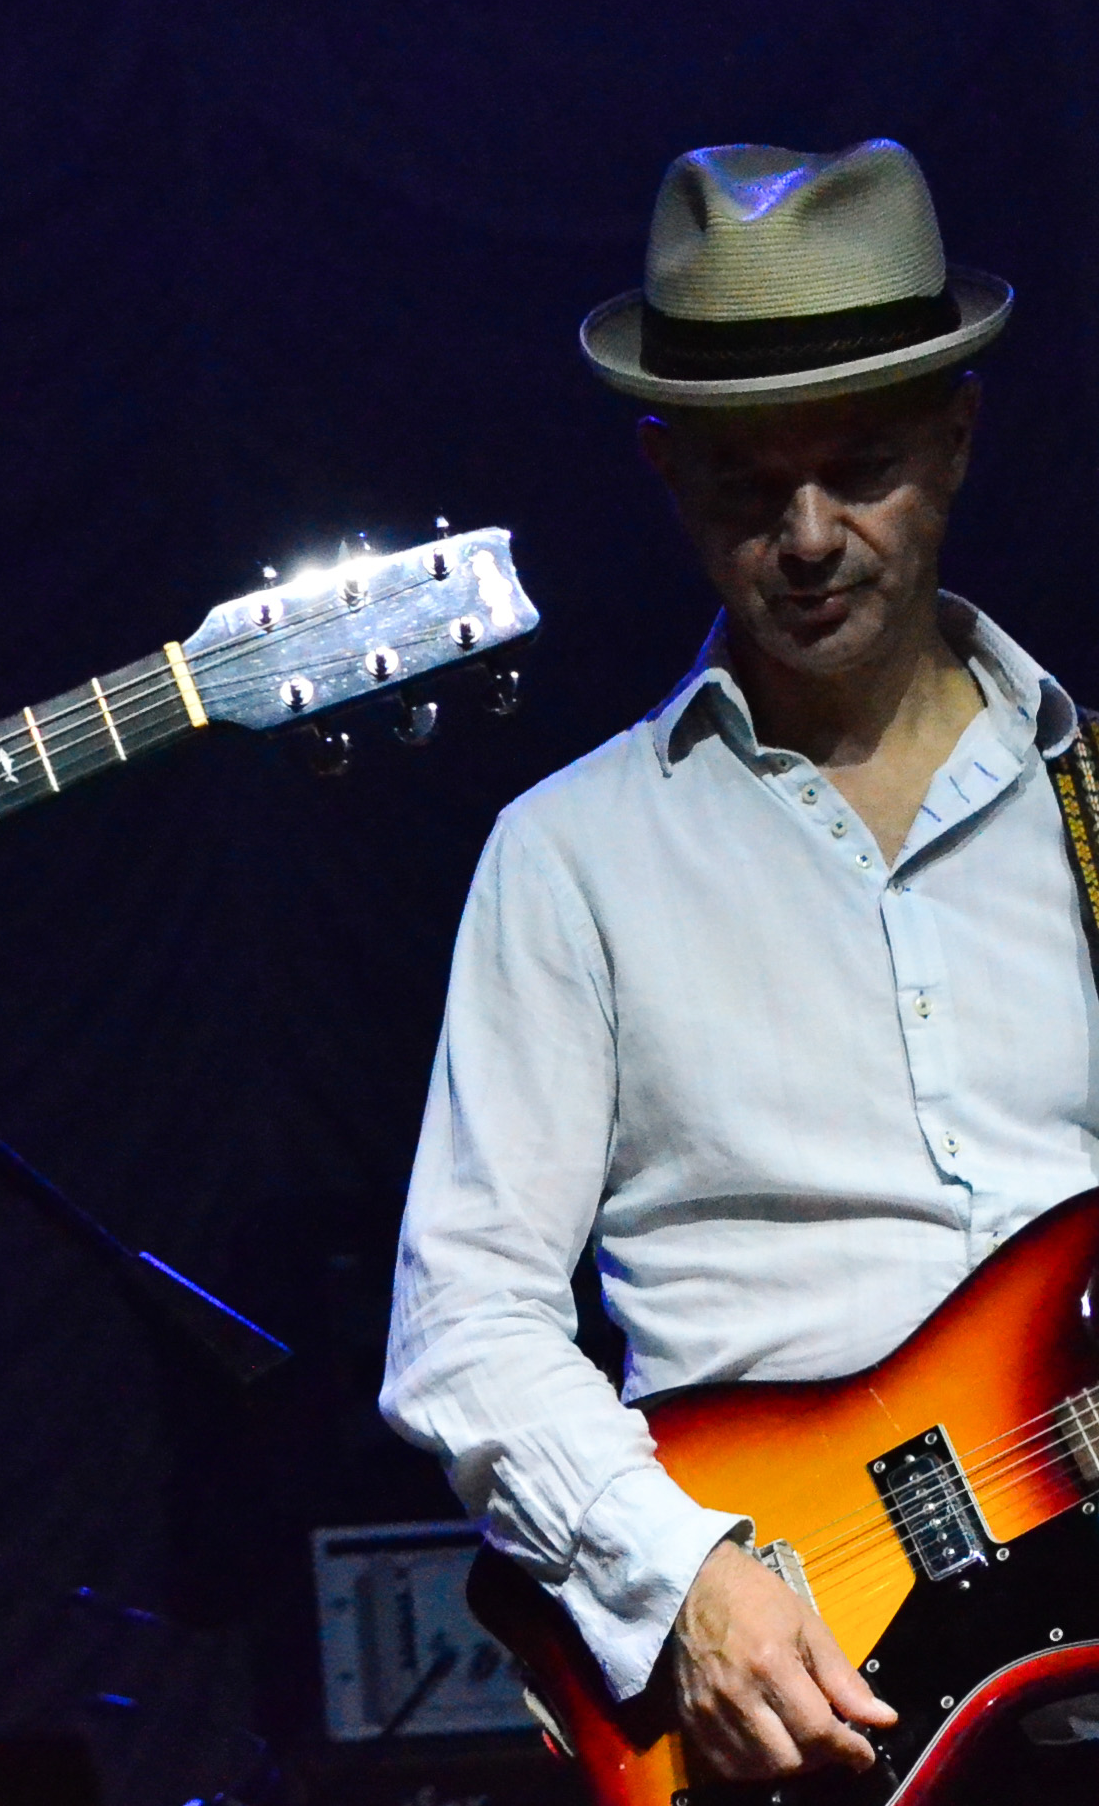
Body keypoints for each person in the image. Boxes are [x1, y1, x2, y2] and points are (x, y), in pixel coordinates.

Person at [381, 138, 1082, 1786]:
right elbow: (465, 1324)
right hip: (792, 1714)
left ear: (962, 442)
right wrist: (676, 1575)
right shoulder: (571, 858)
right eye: (748, 486)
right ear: (664, 474)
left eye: (865, 465)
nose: (813, 534)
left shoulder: (1094, 808)